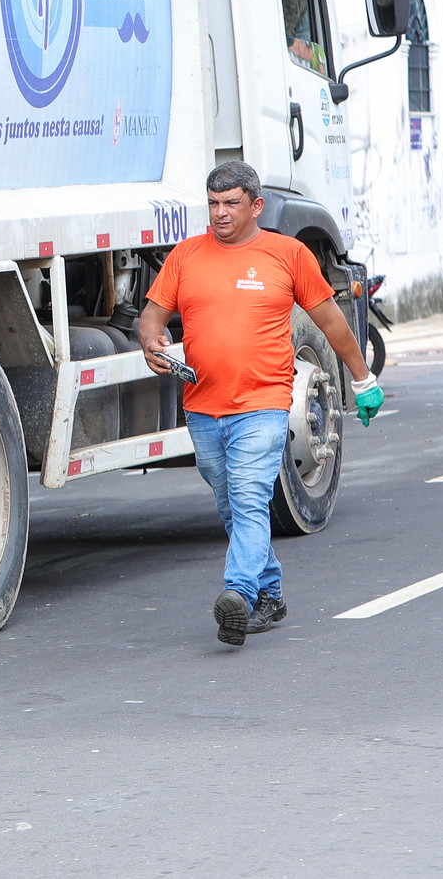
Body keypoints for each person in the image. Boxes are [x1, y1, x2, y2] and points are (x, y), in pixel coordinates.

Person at [137, 161, 382, 647]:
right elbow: (151, 316)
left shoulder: (286, 254)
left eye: (231, 203)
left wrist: (362, 376)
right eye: (213, 203)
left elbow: (332, 321)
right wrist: (153, 344)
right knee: (231, 502)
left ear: (256, 206)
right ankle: (270, 592)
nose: (220, 213)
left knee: (250, 496)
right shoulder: (186, 256)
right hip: (203, 405)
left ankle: (239, 593)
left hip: (265, 401)